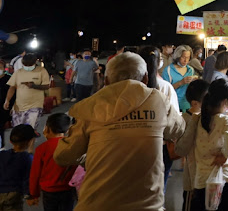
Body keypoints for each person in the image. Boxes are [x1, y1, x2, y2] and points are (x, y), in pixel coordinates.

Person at [53, 51, 185, 211]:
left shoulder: (89, 107)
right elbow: (178, 130)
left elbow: (64, 155)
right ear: (144, 78)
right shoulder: (158, 100)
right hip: (148, 204)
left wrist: (89, 156)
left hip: (98, 204)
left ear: (107, 80)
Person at [177, 79, 228, 211]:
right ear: (225, 102)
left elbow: (182, 148)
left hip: (201, 180)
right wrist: (224, 155)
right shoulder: (225, 120)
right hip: (225, 178)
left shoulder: (197, 119)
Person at [138, 45, 181, 193]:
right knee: (158, 189)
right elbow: (174, 122)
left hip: (135, 145)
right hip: (159, 146)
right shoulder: (165, 87)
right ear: (158, 62)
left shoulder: (131, 86)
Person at [27, 113, 77, 210]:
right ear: (67, 129)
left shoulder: (42, 149)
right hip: (68, 189)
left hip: (49, 190)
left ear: (48, 128)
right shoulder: (72, 146)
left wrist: (34, 194)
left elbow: (35, 174)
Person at [176, 78, 209, 211]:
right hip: (192, 180)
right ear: (195, 103)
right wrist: (194, 122)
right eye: (207, 100)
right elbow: (180, 149)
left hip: (208, 179)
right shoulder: (184, 119)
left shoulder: (209, 117)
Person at [3, 53, 49, 133]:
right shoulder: (18, 72)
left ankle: (29, 145)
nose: (27, 67)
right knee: (17, 131)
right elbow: (12, 87)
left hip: (35, 105)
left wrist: (33, 86)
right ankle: (20, 145)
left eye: (30, 65)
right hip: (19, 106)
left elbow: (46, 86)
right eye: (25, 65)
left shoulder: (42, 71)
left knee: (30, 130)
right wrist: (7, 100)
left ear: (35, 63)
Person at [0, 124, 37, 210]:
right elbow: (27, 179)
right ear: (30, 141)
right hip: (13, 195)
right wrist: (29, 196)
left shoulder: (2, 154)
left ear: (10, 141)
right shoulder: (28, 158)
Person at [162, 45, 197, 112]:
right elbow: (165, 90)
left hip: (188, 105)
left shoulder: (190, 70)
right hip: (173, 105)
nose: (186, 60)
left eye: (188, 57)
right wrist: (180, 82)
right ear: (177, 57)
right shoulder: (168, 70)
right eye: (183, 57)